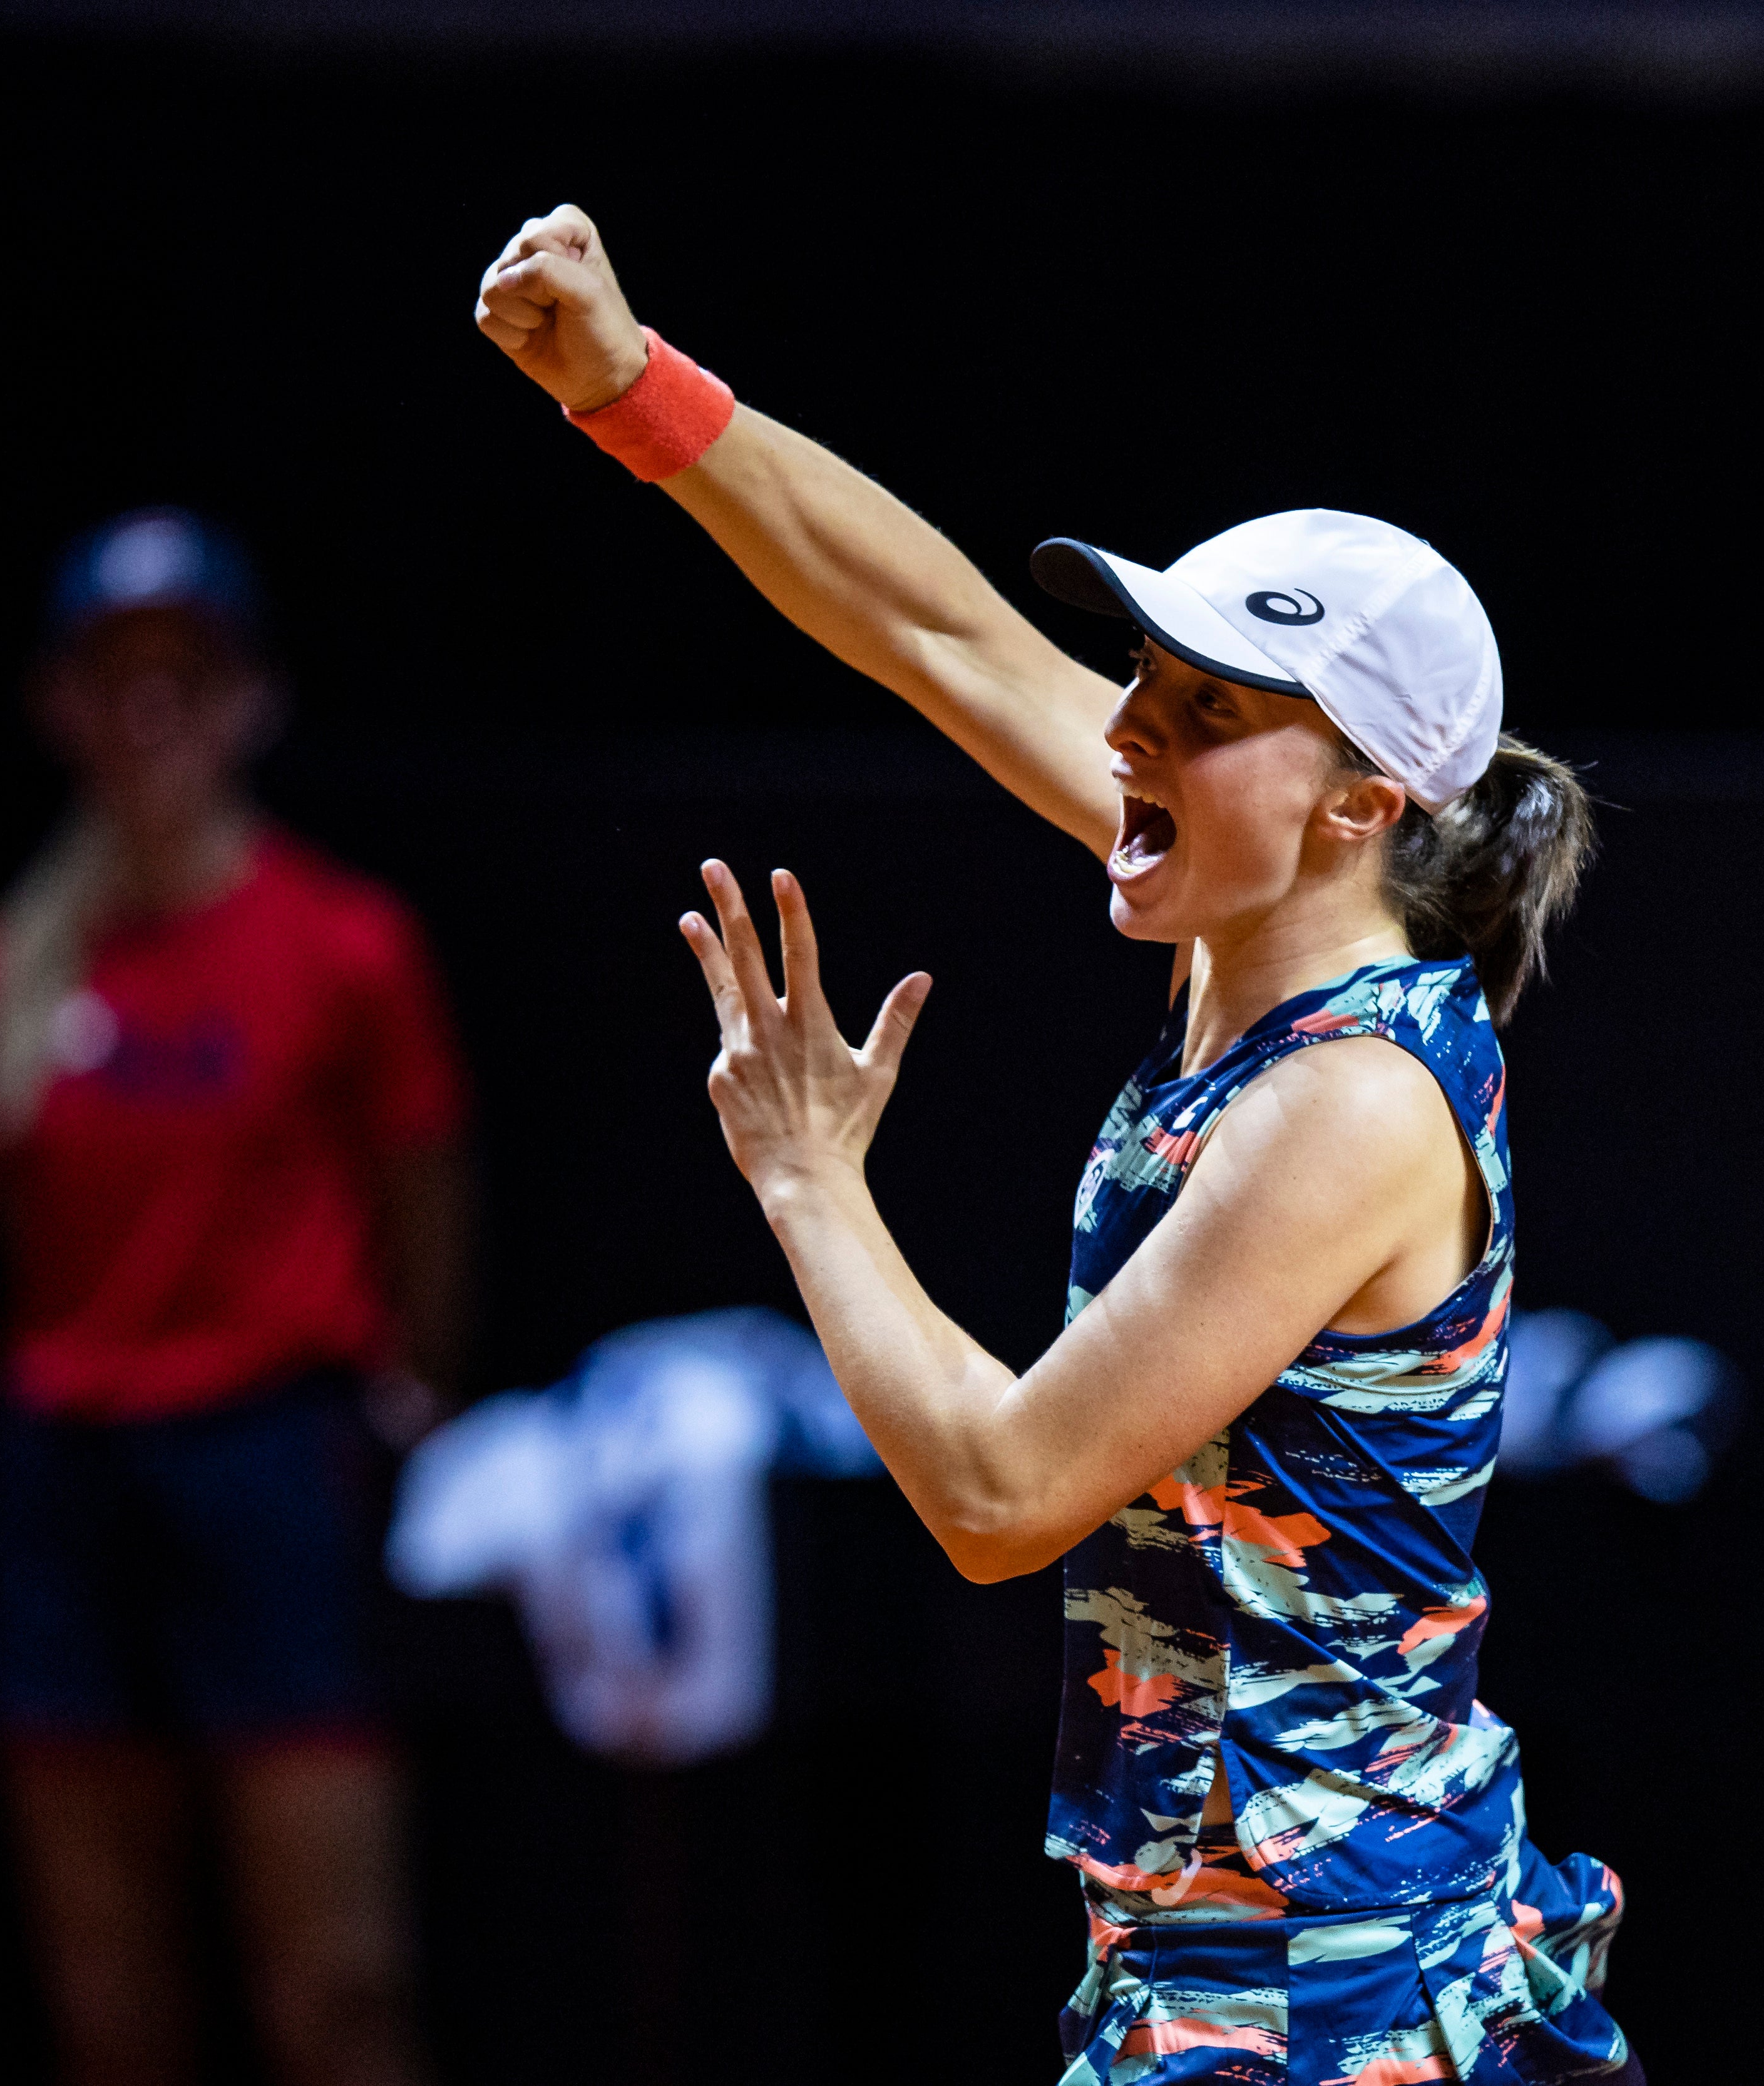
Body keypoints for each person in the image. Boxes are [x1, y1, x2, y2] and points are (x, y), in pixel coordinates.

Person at [476, 210, 1641, 2083]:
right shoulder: (1234, 932)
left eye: (1205, 711)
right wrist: (632, 388)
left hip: (1334, 1994)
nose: (1130, 735)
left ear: (1357, 800)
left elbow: (1002, 1492)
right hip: (1212, 1950)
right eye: (1144, 688)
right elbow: (935, 626)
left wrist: (807, 1176)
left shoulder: (1347, 1098)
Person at [0, 509, 468, 2086]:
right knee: (111, 2005)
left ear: (249, 701)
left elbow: (427, 1193)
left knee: (337, 1988)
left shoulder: (345, 941)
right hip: (68, 1470)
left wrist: (407, 1389)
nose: (150, 709)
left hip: (267, 1469)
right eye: (116, 676)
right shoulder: (13, 963)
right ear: (62, 706)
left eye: (187, 673)